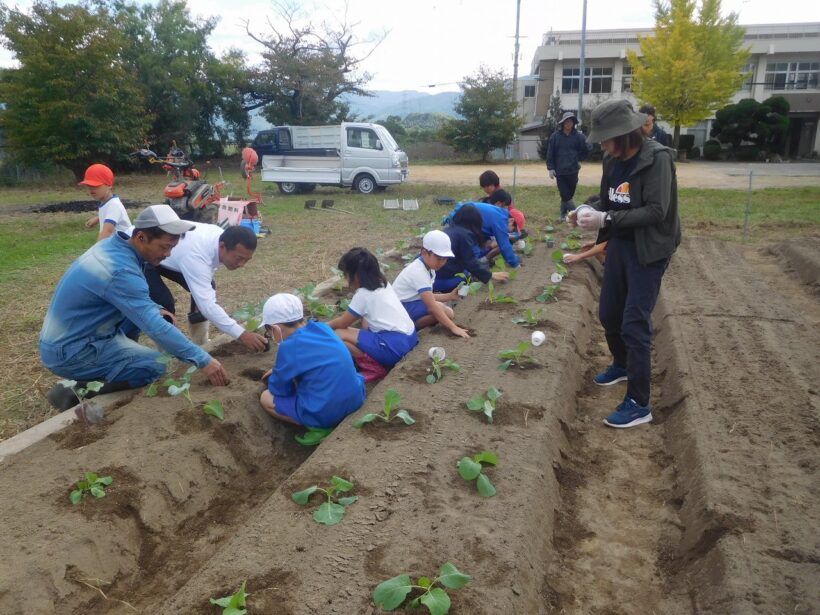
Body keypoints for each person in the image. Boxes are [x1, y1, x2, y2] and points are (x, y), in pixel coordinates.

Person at [40, 204, 229, 411]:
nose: (167, 254)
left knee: (146, 314)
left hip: (73, 336)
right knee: (157, 366)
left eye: (172, 248)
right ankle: (72, 391)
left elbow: (126, 298)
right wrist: (203, 359)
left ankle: (121, 362)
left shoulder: (116, 247)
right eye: (164, 247)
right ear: (141, 237)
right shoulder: (120, 270)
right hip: (72, 350)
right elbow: (155, 327)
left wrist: (155, 307)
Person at [569, 99, 680, 429]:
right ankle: (621, 363)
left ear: (625, 134)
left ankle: (639, 402)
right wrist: (588, 212)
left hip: (649, 249)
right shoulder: (611, 159)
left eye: (606, 138)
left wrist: (607, 216)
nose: (602, 144)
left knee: (634, 322)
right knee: (609, 312)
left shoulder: (657, 160)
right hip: (620, 243)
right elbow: (609, 199)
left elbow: (657, 211)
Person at [145, 223, 267, 350]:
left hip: (174, 257)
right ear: (222, 246)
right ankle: (167, 352)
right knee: (164, 302)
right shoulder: (198, 256)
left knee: (208, 286)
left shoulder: (222, 239)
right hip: (145, 252)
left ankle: (201, 343)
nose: (242, 264)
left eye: (247, 260)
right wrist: (241, 334)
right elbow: (207, 306)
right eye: (239, 258)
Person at [259, 293, 366, 429]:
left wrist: (277, 376)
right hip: (356, 398)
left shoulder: (289, 347)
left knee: (266, 398)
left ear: (275, 328)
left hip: (327, 413)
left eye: (269, 332)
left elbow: (280, 390)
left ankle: (314, 424)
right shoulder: (323, 328)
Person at [328, 247, 418, 382]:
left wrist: (323, 326)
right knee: (364, 321)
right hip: (410, 338)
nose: (346, 280)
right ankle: (371, 355)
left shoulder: (363, 294)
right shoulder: (382, 283)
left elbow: (342, 323)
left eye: (346, 275)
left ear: (355, 275)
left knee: (338, 334)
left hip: (394, 348)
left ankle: (373, 368)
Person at [392, 230, 469, 338]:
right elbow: (431, 305)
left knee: (447, 312)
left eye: (445, 259)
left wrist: (449, 296)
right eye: (438, 258)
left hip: (410, 303)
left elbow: (426, 296)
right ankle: (411, 329)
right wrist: (453, 327)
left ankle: (412, 326)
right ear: (424, 253)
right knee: (441, 310)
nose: (442, 263)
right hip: (400, 308)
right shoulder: (419, 272)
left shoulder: (429, 268)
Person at [436, 204, 510, 292]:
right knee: (468, 277)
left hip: (430, 277)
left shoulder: (449, 230)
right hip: (442, 281)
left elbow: (469, 257)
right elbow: (470, 262)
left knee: (467, 272)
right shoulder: (464, 235)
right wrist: (491, 275)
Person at [444, 201, 520, 269]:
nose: (510, 232)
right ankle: (468, 270)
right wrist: (515, 263)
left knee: (479, 248)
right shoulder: (501, 220)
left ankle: (477, 262)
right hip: (463, 219)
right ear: (511, 220)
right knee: (472, 253)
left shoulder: (500, 214)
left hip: (463, 219)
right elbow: (504, 245)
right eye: (513, 229)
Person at [546, 111, 592, 220]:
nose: (568, 123)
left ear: (573, 123)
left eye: (570, 121)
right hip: (560, 171)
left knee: (568, 195)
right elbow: (550, 152)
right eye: (566, 121)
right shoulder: (555, 136)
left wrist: (579, 159)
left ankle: (562, 215)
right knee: (565, 194)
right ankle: (576, 215)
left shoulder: (579, 136)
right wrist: (551, 168)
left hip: (573, 171)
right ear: (563, 123)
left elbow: (588, 148)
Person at [79, 164, 134, 241]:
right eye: (88, 186)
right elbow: (109, 214)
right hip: (116, 245)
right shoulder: (108, 203)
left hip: (123, 247)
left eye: (95, 186)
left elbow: (107, 231)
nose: (91, 189)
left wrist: (97, 249)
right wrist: (98, 219)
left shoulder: (113, 205)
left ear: (108, 185)